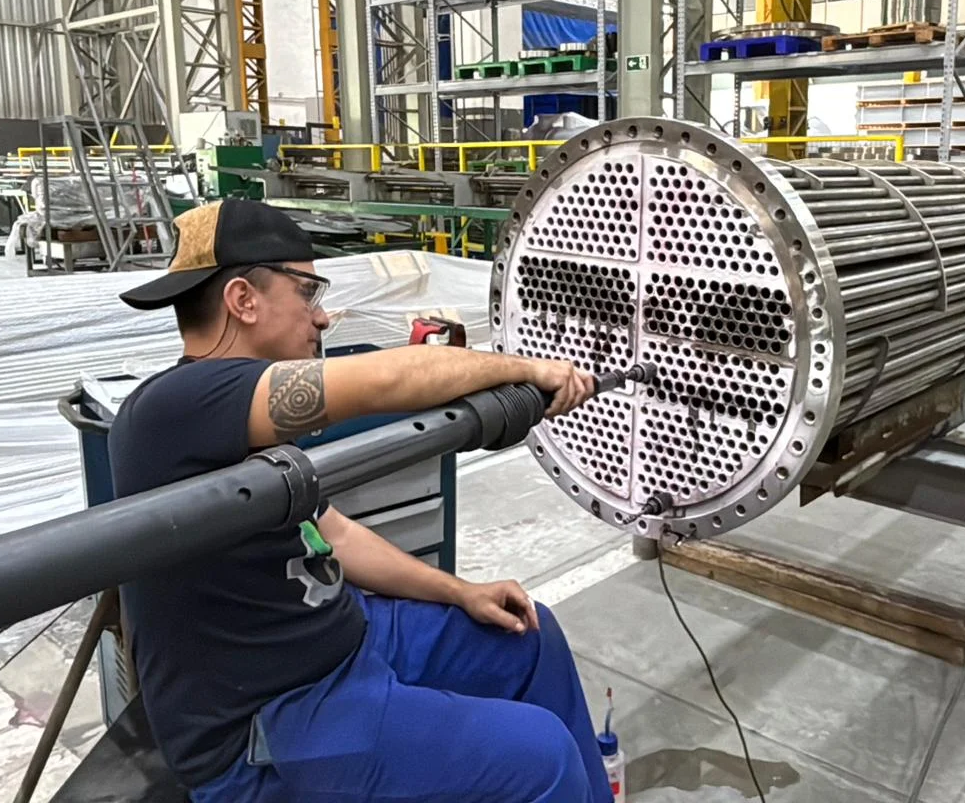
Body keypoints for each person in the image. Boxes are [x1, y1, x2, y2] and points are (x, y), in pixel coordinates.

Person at [107, 198, 612, 803]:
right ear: (243, 300)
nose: (321, 319)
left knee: (530, 638)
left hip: (338, 637)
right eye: (307, 292)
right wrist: (530, 370)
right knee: (542, 757)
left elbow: (335, 536)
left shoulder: (235, 422)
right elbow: (388, 378)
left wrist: (461, 591)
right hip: (271, 717)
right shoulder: (176, 403)